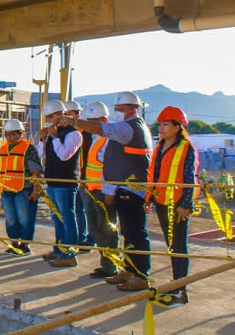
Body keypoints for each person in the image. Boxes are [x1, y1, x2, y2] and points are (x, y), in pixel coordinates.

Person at [58, 91, 152, 291]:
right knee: (127, 232)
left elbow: (102, 131)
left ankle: (140, 274)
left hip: (131, 188)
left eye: (121, 108)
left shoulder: (128, 128)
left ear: (132, 109)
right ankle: (128, 269)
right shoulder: (121, 130)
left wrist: (75, 121)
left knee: (134, 233)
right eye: (117, 108)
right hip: (115, 188)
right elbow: (109, 163)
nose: (118, 111)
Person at [146, 106, 199, 307]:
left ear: (177, 127)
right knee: (171, 244)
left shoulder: (186, 148)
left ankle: (181, 289)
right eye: (160, 124)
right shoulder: (160, 146)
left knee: (178, 245)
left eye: (165, 124)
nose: (161, 128)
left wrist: (186, 203)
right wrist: (149, 197)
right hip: (162, 202)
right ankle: (177, 283)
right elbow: (155, 174)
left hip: (177, 204)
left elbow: (189, 177)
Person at [37, 99, 83, 267]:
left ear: (60, 115)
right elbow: (41, 154)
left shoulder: (73, 134)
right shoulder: (51, 135)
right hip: (53, 181)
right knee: (57, 217)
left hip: (66, 182)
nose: (48, 121)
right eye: (47, 117)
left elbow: (64, 155)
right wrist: (43, 139)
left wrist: (55, 137)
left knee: (67, 217)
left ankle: (69, 253)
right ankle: (59, 249)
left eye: (50, 117)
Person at [80, 101, 121, 279]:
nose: (90, 124)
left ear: (104, 120)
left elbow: (111, 168)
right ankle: (106, 263)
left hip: (104, 192)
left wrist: (110, 190)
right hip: (91, 189)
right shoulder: (92, 139)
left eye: (94, 120)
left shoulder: (109, 140)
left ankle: (112, 266)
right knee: (95, 228)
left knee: (107, 230)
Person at [0, 118, 42, 256]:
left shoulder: (28, 149)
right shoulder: (2, 149)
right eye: (8, 134)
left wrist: (36, 190)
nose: (10, 137)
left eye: (14, 134)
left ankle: (25, 245)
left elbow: (36, 171)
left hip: (23, 190)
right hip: (6, 190)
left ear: (21, 134)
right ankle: (13, 244)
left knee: (25, 218)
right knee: (11, 219)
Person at [65, 99, 95, 251]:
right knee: (77, 209)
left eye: (67, 114)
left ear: (77, 115)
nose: (65, 117)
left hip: (88, 177)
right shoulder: (67, 133)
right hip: (75, 176)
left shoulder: (89, 134)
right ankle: (81, 238)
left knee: (89, 209)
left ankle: (91, 239)